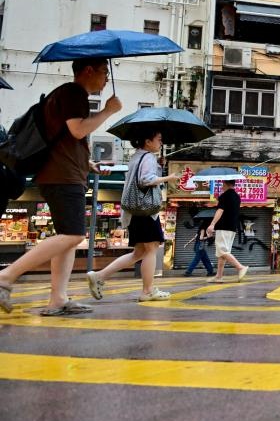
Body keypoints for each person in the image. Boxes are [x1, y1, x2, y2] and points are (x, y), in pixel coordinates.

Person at [0, 59, 121, 316]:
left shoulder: (63, 95)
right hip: (62, 177)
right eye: (103, 72)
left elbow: (64, 138)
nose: (106, 79)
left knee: (67, 239)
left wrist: (87, 164)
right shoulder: (74, 93)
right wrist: (108, 111)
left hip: (62, 173)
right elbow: (78, 130)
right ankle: (6, 277)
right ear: (88, 71)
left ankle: (58, 299)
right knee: (73, 236)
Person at [86, 129, 177, 302]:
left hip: (134, 211)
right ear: (147, 141)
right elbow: (145, 180)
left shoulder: (137, 156)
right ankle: (148, 291)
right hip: (145, 210)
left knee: (139, 252)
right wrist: (167, 177)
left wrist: (159, 167)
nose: (161, 143)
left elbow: (141, 178)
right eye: (159, 139)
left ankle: (100, 276)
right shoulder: (148, 157)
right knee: (151, 248)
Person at [204, 179, 249, 282]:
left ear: (225, 184)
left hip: (223, 227)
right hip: (232, 228)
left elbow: (220, 210)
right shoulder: (237, 196)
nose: (221, 186)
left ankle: (240, 267)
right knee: (222, 253)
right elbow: (223, 205)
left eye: (222, 184)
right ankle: (219, 276)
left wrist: (212, 224)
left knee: (222, 251)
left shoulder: (224, 196)